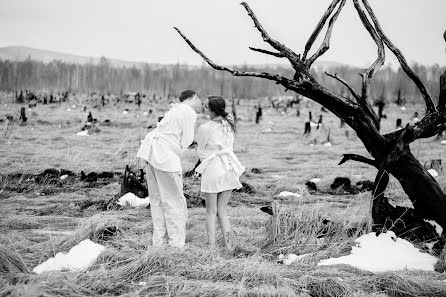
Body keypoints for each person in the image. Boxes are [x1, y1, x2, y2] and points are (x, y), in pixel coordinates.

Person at [136, 89, 202, 248]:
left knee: (157, 201)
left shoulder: (174, 109)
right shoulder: (189, 111)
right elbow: (187, 140)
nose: (201, 103)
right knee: (174, 202)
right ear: (194, 97)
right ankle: (176, 245)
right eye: (199, 99)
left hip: (151, 154)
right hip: (165, 159)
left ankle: (159, 243)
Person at [195, 96, 245, 251]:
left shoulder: (205, 128)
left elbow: (201, 151)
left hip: (214, 169)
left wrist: (206, 157)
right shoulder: (229, 123)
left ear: (211, 109)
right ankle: (229, 246)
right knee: (222, 211)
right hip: (229, 168)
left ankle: (211, 246)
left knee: (211, 211)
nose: (202, 107)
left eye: (205, 105)